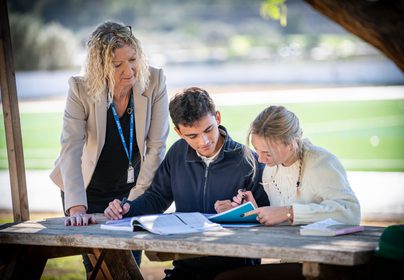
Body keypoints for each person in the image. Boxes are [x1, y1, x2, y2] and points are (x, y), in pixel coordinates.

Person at [104, 87, 270, 280]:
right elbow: (157, 198)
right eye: (192, 136)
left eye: (208, 129)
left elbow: (266, 214)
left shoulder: (247, 160)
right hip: (187, 270)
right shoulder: (176, 154)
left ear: (217, 118)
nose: (204, 141)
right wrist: (127, 208)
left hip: (236, 271)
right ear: (179, 132)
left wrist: (244, 211)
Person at [50, 21, 169, 268]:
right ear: (100, 66)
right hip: (86, 188)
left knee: (128, 263)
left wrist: (132, 202)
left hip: (129, 188)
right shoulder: (80, 88)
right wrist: (76, 207)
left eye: (133, 59)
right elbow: (70, 148)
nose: (130, 71)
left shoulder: (155, 79)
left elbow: (156, 147)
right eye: (117, 65)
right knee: (98, 267)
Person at [214, 105, 361, 280]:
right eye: (257, 150)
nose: (260, 159)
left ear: (290, 144)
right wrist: (253, 211)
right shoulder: (270, 170)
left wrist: (288, 212)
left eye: (267, 153)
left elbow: (351, 212)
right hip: (291, 260)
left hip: (325, 264)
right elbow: (285, 225)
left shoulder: (321, 162)